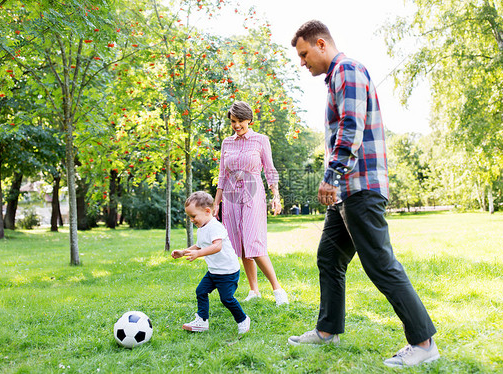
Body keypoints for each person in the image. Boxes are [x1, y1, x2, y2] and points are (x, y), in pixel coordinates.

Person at [288, 20, 440, 368]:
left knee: (380, 263)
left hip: (360, 187)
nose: (302, 62)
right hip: (346, 191)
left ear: (321, 44)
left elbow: (351, 126)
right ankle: (328, 331)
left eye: (304, 54)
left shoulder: (348, 70)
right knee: (329, 257)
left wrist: (331, 175)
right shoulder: (335, 77)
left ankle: (423, 342)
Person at [213, 101, 289, 306]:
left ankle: (278, 290)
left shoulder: (260, 140)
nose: (236, 126)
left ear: (249, 120)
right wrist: (216, 204)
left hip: (253, 194)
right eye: (233, 122)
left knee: (254, 243)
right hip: (230, 197)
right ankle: (254, 291)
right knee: (241, 245)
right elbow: (222, 174)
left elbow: (270, 170)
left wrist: (276, 196)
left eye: (240, 121)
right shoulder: (227, 143)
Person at [171, 191, 250, 334]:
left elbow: (217, 246)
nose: (191, 220)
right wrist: (183, 252)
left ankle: (243, 319)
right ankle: (202, 321)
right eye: (189, 217)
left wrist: (198, 254)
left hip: (227, 272)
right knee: (201, 291)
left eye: (193, 216)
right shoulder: (202, 227)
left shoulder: (215, 226)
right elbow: (200, 245)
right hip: (214, 271)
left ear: (207, 211)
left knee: (226, 299)